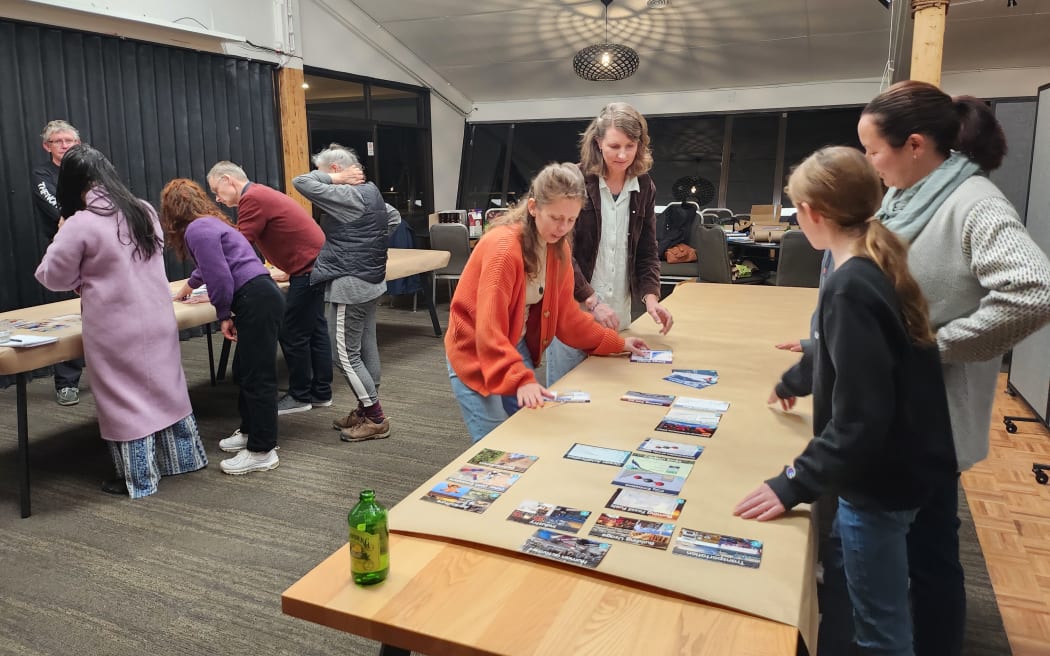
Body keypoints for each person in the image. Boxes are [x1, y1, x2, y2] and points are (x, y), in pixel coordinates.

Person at [733, 146, 958, 656]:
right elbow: (846, 355)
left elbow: (860, 419)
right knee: (877, 609)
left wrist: (793, 483)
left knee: (877, 629)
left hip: (877, 486)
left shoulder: (849, 285)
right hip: (907, 470)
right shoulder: (871, 265)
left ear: (814, 214)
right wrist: (797, 379)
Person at [853, 80, 1050, 656]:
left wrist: (929, 345)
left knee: (932, 551)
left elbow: (1033, 292)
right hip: (892, 405)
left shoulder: (972, 201)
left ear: (915, 144)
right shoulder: (907, 196)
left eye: (874, 151)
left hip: (929, 417)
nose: (870, 163)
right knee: (910, 544)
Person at [34, 145, 207, 497]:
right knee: (166, 388)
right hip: (158, 316)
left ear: (70, 183)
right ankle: (182, 459)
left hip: (114, 326)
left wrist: (66, 244)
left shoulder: (81, 223)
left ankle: (139, 478)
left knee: (123, 397)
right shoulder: (142, 209)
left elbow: (51, 276)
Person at [446, 162, 650, 442]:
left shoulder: (558, 248)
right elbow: (488, 330)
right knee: (494, 443)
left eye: (571, 220)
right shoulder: (504, 249)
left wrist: (618, 343)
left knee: (531, 428)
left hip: (510, 348)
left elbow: (567, 317)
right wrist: (521, 379)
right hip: (475, 349)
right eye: (555, 218)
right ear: (533, 207)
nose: (562, 227)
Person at [161, 179, 285, 475]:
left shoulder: (196, 229)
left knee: (258, 377)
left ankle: (262, 449)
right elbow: (209, 267)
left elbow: (220, 277)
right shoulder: (210, 223)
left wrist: (224, 314)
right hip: (260, 296)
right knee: (245, 371)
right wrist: (189, 286)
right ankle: (249, 431)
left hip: (254, 299)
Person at [545, 102, 672, 387]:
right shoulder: (574, 181)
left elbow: (646, 250)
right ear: (598, 142)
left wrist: (651, 298)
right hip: (574, 312)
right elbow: (559, 251)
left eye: (631, 145)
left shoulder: (644, 186)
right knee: (569, 394)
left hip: (618, 314)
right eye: (615, 146)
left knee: (609, 394)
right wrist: (592, 300)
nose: (623, 154)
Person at [292, 144, 402, 442]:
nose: (322, 176)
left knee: (343, 354)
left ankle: (376, 418)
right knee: (366, 345)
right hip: (371, 279)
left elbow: (301, 182)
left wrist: (335, 181)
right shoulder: (372, 193)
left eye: (325, 171)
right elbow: (393, 218)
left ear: (336, 170)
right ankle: (365, 409)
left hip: (350, 284)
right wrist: (364, 244)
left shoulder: (345, 193)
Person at [206, 161, 332, 417]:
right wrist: (287, 266)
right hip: (313, 264)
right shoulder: (260, 194)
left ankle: (300, 395)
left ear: (228, 180)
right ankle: (320, 392)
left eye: (216, 190)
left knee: (291, 332)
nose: (217, 199)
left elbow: (238, 246)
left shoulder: (251, 199)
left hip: (309, 268)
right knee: (315, 328)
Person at [30, 119, 85, 406]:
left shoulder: (87, 169)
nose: (65, 145)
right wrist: (76, 215)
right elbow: (53, 206)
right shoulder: (43, 173)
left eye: (70, 141)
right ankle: (67, 383)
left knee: (102, 312)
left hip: (95, 250)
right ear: (47, 146)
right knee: (69, 317)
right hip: (65, 255)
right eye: (59, 141)